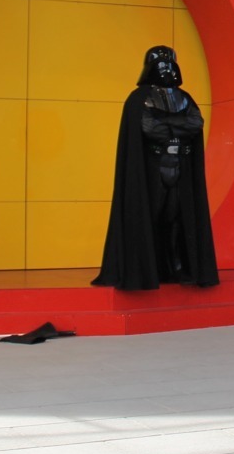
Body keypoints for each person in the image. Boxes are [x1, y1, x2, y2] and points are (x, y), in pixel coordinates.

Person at [93, 46, 218, 290]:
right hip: (151, 171)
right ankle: (145, 271)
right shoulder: (139, 99)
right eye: (160, 64)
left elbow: (195, 123)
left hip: (181, 169)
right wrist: (177, 126)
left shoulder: (185, 98)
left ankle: (177, 267)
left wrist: (168, 125)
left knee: (177, 218)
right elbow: (150, 129)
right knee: (148, 217)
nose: (166, 69)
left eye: (169, 64)